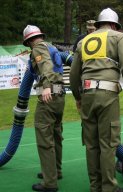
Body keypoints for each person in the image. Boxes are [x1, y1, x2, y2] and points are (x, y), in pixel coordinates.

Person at [69, 8, 123, 192]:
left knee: (91, 144)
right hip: (107, 94)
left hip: (87, 94)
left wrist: (78, 97)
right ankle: (109, 187)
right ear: (115, 25)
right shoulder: (118, 37)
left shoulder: (83, 41)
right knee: (108, 143)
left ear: (98, 24)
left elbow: (74, 73)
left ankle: (95, 186)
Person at [23, 25, 65, 192]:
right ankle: (56, 171)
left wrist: (46, 85)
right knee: (55, 135)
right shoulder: (51, 46)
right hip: (59, 97)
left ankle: (50, 183)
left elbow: (45, 66)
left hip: (48, 96)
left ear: (29, 41)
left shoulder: (38, 48)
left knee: (44, 139)